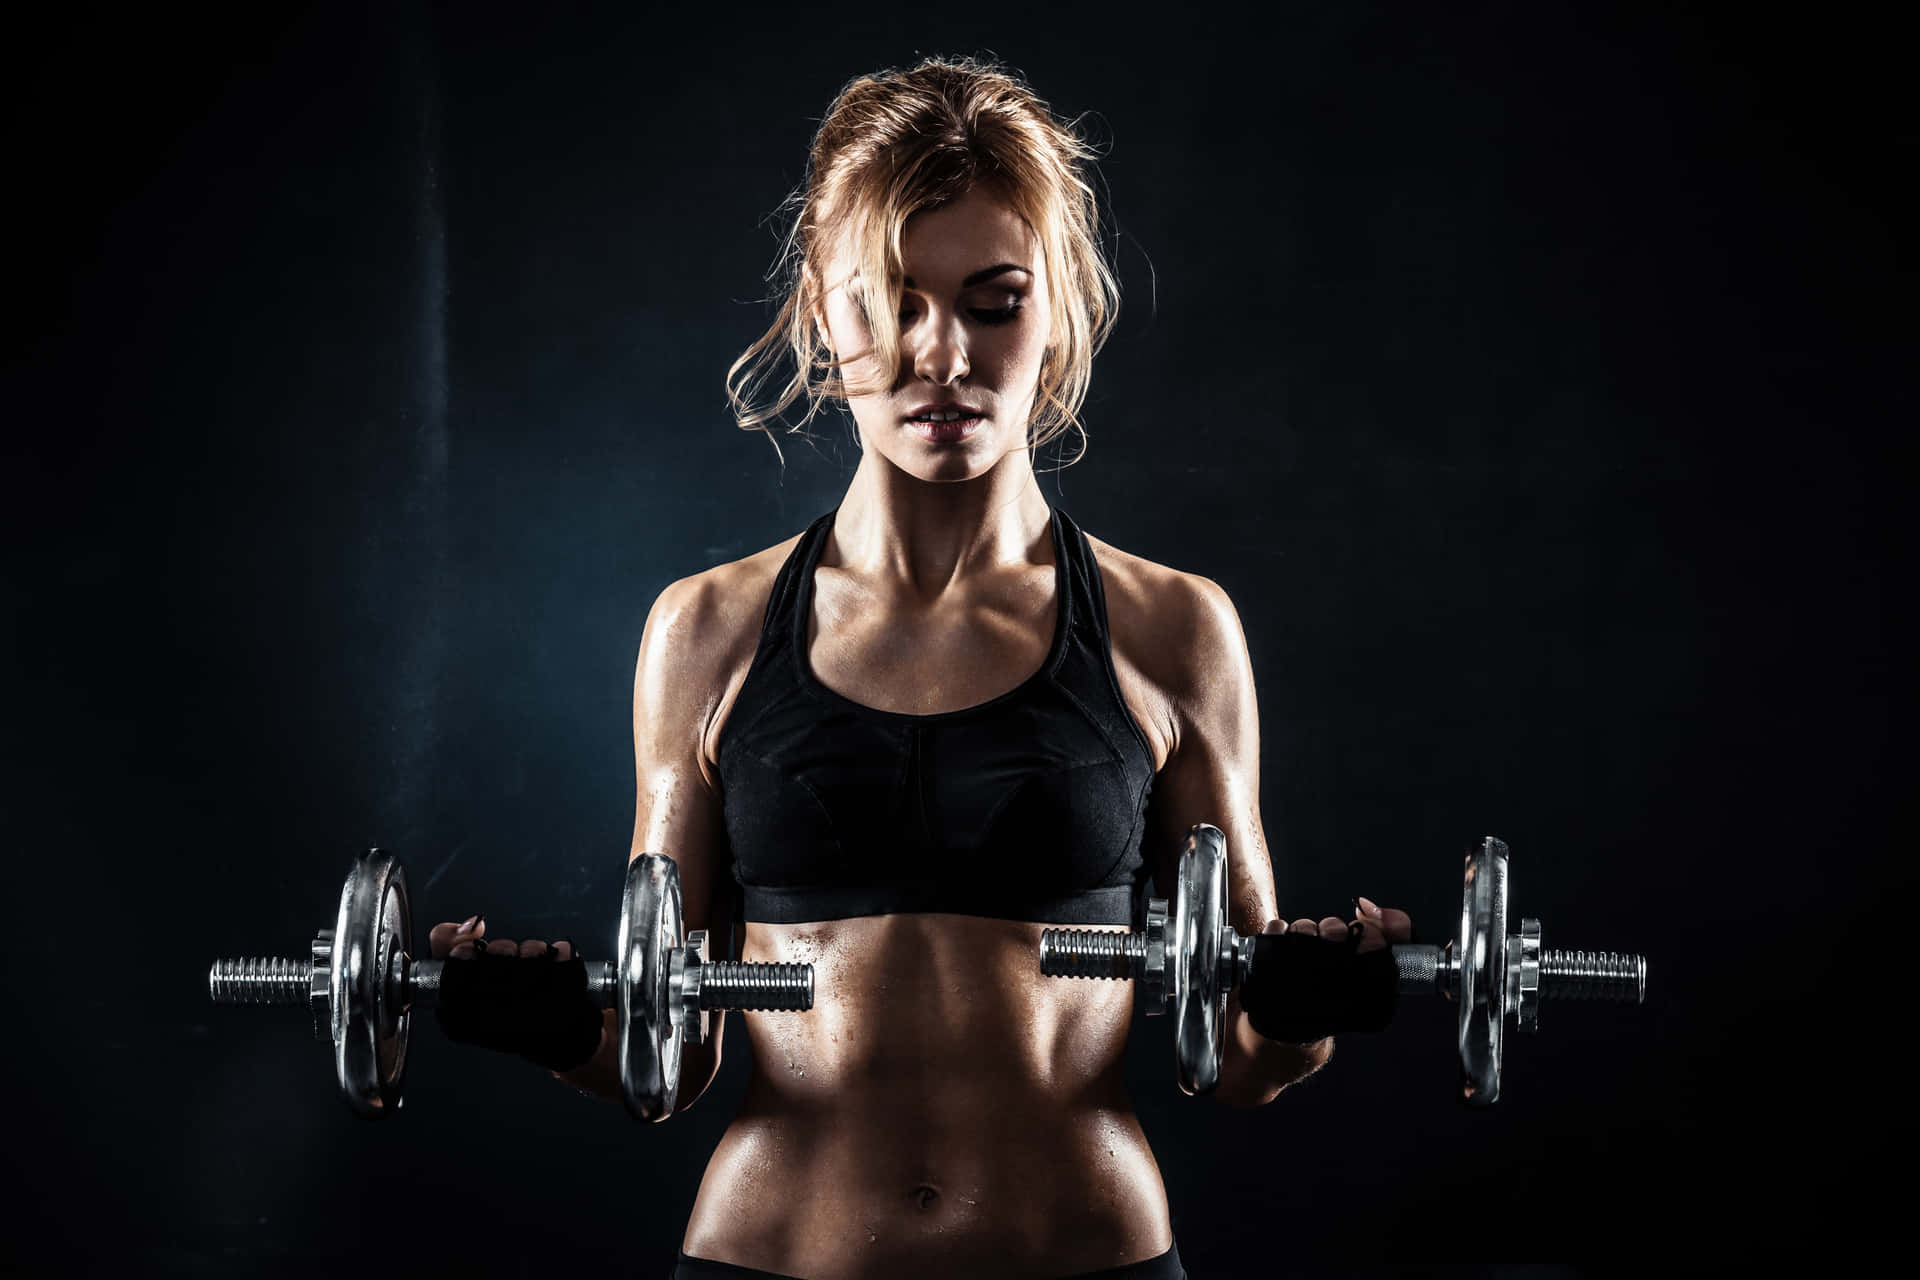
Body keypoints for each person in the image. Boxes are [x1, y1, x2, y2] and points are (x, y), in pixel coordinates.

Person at [430, 55, 1414, 1280]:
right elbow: (664, 1058)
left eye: (992, 300)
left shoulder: (1173, 629)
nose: (938, 351)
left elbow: (1246, 1054)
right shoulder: (707, 631)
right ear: (817, 307)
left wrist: (1313, 1001)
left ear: (1059, 309)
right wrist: (554, 1021)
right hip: (769, 1255)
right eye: (889, 300)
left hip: (1086, 1254)